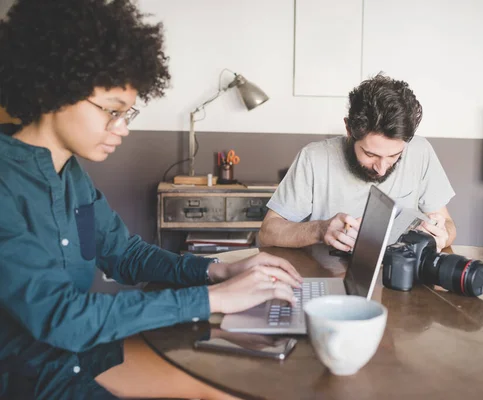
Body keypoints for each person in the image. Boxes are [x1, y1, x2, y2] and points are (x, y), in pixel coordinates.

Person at [0, 1, 301, 399]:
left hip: (81, 355)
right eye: (111, 111)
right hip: (29, 379)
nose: (121, 128)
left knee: (231, 387)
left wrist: (217, 272)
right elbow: (62, 317)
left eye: (127, 114)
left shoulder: (71, 175)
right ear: (55, 89)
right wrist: (211, 299)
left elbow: (127, 255)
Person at [258, 74, 456, 252]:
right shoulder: (313, 158)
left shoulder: (421, 151)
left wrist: (440, 236)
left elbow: (447, 223)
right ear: (349, 130)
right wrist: (320, 229)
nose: (382, 168)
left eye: (395, 155)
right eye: (370, 154)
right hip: (329, 274)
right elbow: (268, 232)